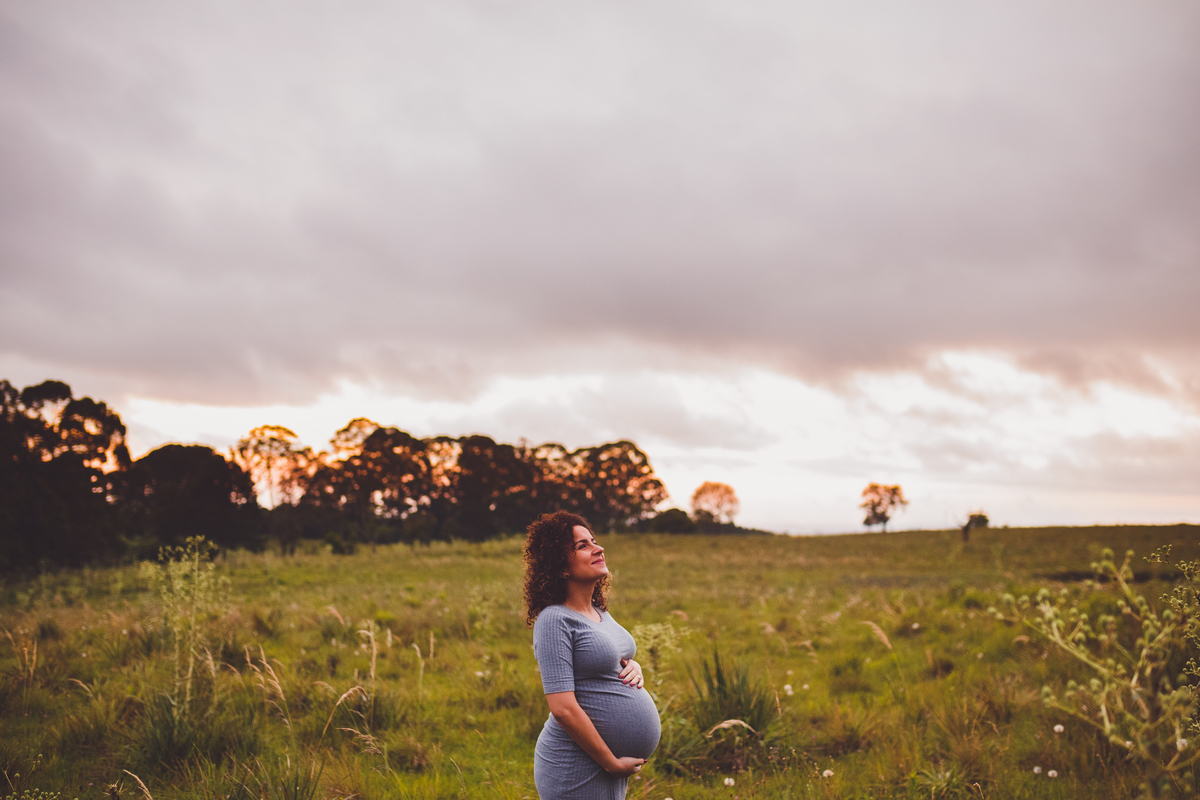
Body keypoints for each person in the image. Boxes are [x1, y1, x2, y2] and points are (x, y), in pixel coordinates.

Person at [524, 511, 661, 799]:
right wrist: (611, 763)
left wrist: (634, 666)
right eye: (582, 546)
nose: (598, 548)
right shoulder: (554, 620)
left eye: (593, 541)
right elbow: (562, 707)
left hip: (605, 763)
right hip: (575, 766)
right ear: (560, 565)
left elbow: (607, 660)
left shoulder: (599, 612)